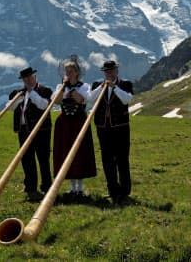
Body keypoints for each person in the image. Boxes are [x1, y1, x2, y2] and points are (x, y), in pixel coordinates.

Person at [89, 60, 134, 204]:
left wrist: (114, 87)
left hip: (120, 128)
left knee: (122, 160)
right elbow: (90, 99)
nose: (108, 74)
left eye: (111, 71)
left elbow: (126, 100)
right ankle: (113, 190)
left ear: (116, 71)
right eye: (106, 72)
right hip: (103, 128)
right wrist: (101, 87)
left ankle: (125, 191)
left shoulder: (125, 84)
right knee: (107, 160)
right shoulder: (97, 85)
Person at [52, 58, 96, 196]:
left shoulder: (84, 86)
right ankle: (72, 187)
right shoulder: (60, 87)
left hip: (78, 122)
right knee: (65, 151)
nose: (68, 74)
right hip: (64, 123)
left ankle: (80, 188)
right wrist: (64, 87)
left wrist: (71, 91)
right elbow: (56, 101)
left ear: (77, 73)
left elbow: (82, 100)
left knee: (80, 152)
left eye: (71, 71)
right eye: (66, 72)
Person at [9, 66, 53, 200]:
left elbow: (43, 105)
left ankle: (46, 186)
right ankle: (30, 186)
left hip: (41, 131)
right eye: (25, 78)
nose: (28, 80)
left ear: (35, 77)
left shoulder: (45, 90)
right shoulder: (17, 93)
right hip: (23, 130)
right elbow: (10, 107)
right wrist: (18, 99)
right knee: (27, 159)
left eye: (30, 77)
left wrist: (31, 93)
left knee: (43, 158)